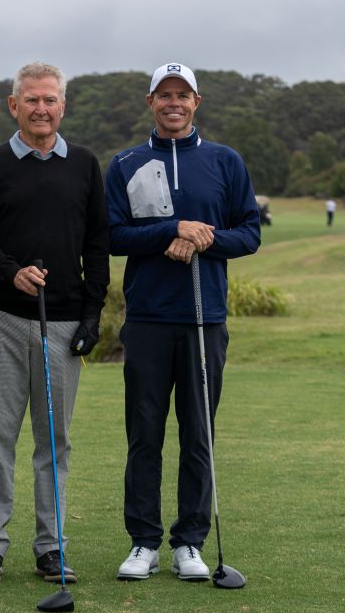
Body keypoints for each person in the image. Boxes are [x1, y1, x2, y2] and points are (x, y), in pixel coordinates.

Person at [104, 62, 260, 582]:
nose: (174, 103)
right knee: (144, 433)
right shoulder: (126, 162)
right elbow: (111, 236)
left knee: (199, 433)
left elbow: (249, 234)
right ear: (150, 101)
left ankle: (189, 541)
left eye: (183, 95)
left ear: (197, 101)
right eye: (164, 94)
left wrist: (201, 236)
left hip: (204, 319)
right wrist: (171, 228)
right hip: (148, 318)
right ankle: (143, 542)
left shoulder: (225, 161)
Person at [0, 62, 110, 584]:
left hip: (66, 323)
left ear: (63, 106)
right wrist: (9, 271)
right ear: (13, 105)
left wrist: (93, 314)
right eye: (31, 100)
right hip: (5, 315)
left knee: (54, 441)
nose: (41, 109)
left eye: (50, 100)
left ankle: (51, 546)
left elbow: (97, 245)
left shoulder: (86, 165)